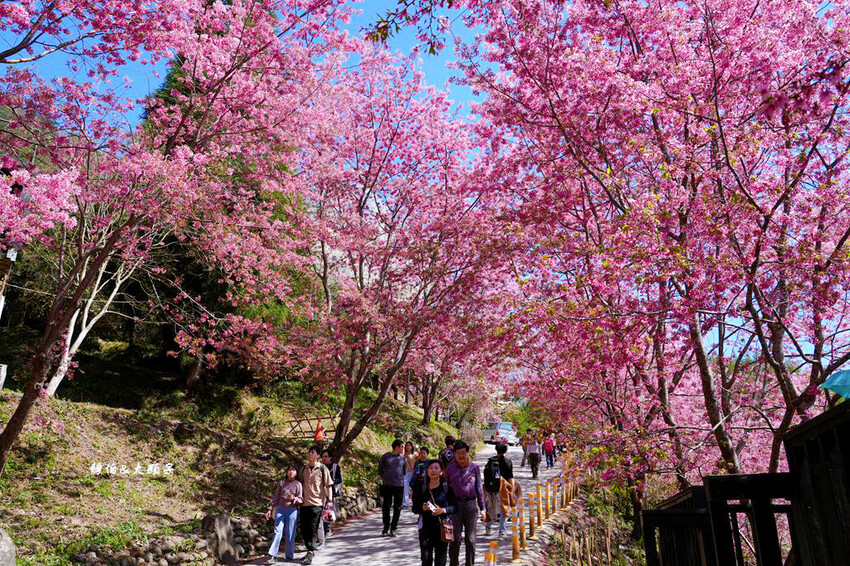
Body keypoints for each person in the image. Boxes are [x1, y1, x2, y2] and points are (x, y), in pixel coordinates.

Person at [444, 440, 485, 566]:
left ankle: (470, 564)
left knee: (470, 539)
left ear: (467, 453)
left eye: (463, 453)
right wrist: (445, 509)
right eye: (458, 453)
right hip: (455, 506)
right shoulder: (450, 469)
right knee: (455, 539)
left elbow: (479, 489)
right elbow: (445, 490)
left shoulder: (474, 468)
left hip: (471, 506)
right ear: (455, 454)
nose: (461, 456)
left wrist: (483, 508)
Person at [413, 459, 458, 566]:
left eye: (436, 468)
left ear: (441, 471)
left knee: (440, 560)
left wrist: (443, 510)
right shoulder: (422, 488)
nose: (433, 470)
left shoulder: (446, 488)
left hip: (442, 528)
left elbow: (455, 507)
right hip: (425, 528)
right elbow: (415, 508)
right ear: (427, 471)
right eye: (431, 468)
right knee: (426, 558)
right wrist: (422, 508)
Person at [299, 446, 333, 565]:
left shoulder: (323, 469)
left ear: (317, 455)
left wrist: (329, 501)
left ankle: (310, 552)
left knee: (313, 528)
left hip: (317, 503)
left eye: (313, 452)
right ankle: (309, 549)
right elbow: (299, 485)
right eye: (309, 452)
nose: (311, 454)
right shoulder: (303, 469)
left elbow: (328, 486)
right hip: (304, 503)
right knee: (304, 528)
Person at [265, 465, 302, 563]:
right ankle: (273, 555)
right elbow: (276, 497)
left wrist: (293, 498)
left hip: (292, 510)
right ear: (286, 472)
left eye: (293, 470)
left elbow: (301, 499)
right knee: (278, 531)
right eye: (289, 470)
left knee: (290, 533)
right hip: (280, 509)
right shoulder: (281, 483)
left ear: (296, 473)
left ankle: (289, 555)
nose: (291, 472)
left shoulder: (298, 484)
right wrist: (270, 509)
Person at [483, 443, 514, 539]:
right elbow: (510, 477)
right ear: (505, 451)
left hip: (489, 488)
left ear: (496, 450)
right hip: (502, 488)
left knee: (490, 507)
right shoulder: (507, 462)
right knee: (504, 510)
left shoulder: (490, 461)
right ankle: (502, 532)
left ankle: (488, 528)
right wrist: (511, 490)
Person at [379, 439, 407, 537]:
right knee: (386, 506)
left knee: (397, 508)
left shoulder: (403, 458)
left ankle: (394, 528)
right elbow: (380, 470)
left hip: (399, 485)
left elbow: (404, 471)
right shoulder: (386, 457)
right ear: (397, 447)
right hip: (387, 485)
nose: (403, 449)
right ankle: (386, 527)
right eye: (402, 447)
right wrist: (386, 478)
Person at [320, 449, 343, 540]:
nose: (324, 458)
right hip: (320, 493)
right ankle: (324, 530)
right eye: (323, 457)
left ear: (330, 457)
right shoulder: (320, 467)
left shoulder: (335, 467)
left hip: (330, 493)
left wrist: (332, 481)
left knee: (327, 512)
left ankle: (326, 531)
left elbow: (339, 479)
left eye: (326, 456)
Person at [403, 440, 417, 508]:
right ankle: (405, 503)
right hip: (405, 473)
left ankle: (416, 502)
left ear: (412, 446)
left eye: (409, 445)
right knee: (405, 488)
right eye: (407, 445)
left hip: (413, 473)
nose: (408, 447)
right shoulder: (403, 455)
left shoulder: (415, 455)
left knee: (415, 488)